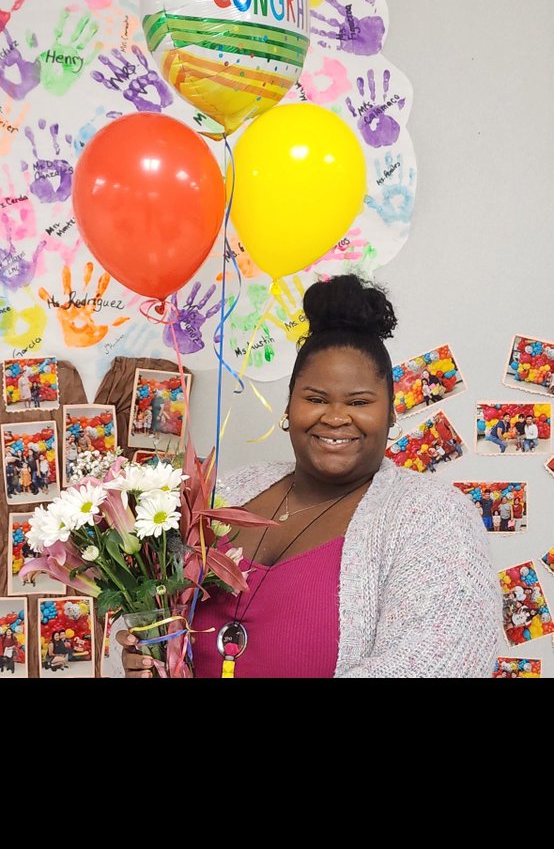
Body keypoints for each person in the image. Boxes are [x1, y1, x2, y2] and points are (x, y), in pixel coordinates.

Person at [114, 275, 501, 679]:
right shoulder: (224, 492)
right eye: (315, 399)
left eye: (359, 402)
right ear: (289, 407)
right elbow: (156, 617)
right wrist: (143, 660)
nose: (335, 417)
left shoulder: (434, 515)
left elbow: (441, 661)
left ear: (390, 414)